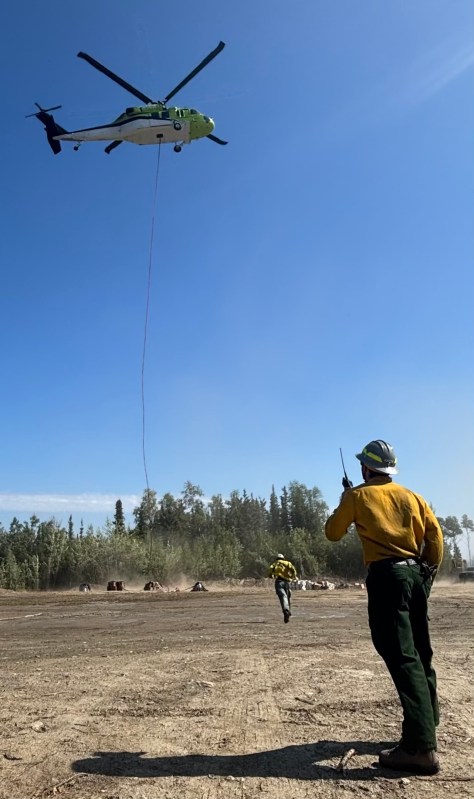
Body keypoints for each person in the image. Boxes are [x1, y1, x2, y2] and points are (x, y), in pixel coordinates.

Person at [325, 439, 443, 775]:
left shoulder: (358, 496)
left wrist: (346, 500)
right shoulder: (413, 497)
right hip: (416, 574)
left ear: (366, 468)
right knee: (421, 652)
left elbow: (333, 532)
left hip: (387, 578)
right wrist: (426, 577)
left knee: (401, 655)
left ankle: (420, 748)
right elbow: (434, 538)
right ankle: (428, 722)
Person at [268, 554, 297, 623]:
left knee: (283, 596)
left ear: (277, 558)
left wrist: (271, 575)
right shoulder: (287, 563)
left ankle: (286, 611)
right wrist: (293, 577)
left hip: (279, 582)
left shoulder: (275, 563)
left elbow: (270, 570)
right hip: (286, 582)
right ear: (283, 558)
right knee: (288, 596)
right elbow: (293, 570)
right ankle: (288, 610)